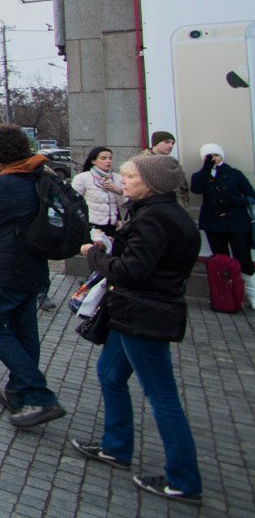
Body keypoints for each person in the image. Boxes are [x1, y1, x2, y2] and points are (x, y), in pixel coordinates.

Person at [72, 154, 203, 506]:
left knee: (161, 395)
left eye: (130, 177)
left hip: (144, 314)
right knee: (110, 373)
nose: (123, 181)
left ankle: (184, 480)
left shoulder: (154, 219)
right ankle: (116, 446)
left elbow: (131, 271)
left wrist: (93, 254)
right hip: (134, 311)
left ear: (151, 184)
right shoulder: (163, 214)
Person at [0, 123, 66, 428]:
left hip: (4, 268)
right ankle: (20, 392)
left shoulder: (6, 184)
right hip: (33, 266)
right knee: (25, 330)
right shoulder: (39, 175)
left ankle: (38, 393)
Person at [191, 142, 255, 307]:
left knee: (243, 257)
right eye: (209, 156)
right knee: (221, 259)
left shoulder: (235, 174)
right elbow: (196, 189)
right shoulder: (201, 175)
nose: (214, 159)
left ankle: (251, 294)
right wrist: (206, 169)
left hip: (237, 222)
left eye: (217, 155)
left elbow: (251, 196)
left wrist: (234, 200)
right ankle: (225, 296)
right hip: (214, 223)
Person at [72, 146, 126, 237]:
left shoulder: (118, 178)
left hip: (112, 224)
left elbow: (124, 204)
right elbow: (73, 201)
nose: (108, 161)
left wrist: (118, 190)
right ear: (93, 161)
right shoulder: (82, 178)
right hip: (92, 224)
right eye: (103, 158)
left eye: (110, 158)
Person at [140, 131, 189, 208]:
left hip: (174, 209)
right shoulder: (141, 162)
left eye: (172, 143)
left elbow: (183, 189)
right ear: (156, 143)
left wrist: (184, 208)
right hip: (152, 208)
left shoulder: (173, 163)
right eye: (167, 142)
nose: (171, 146)